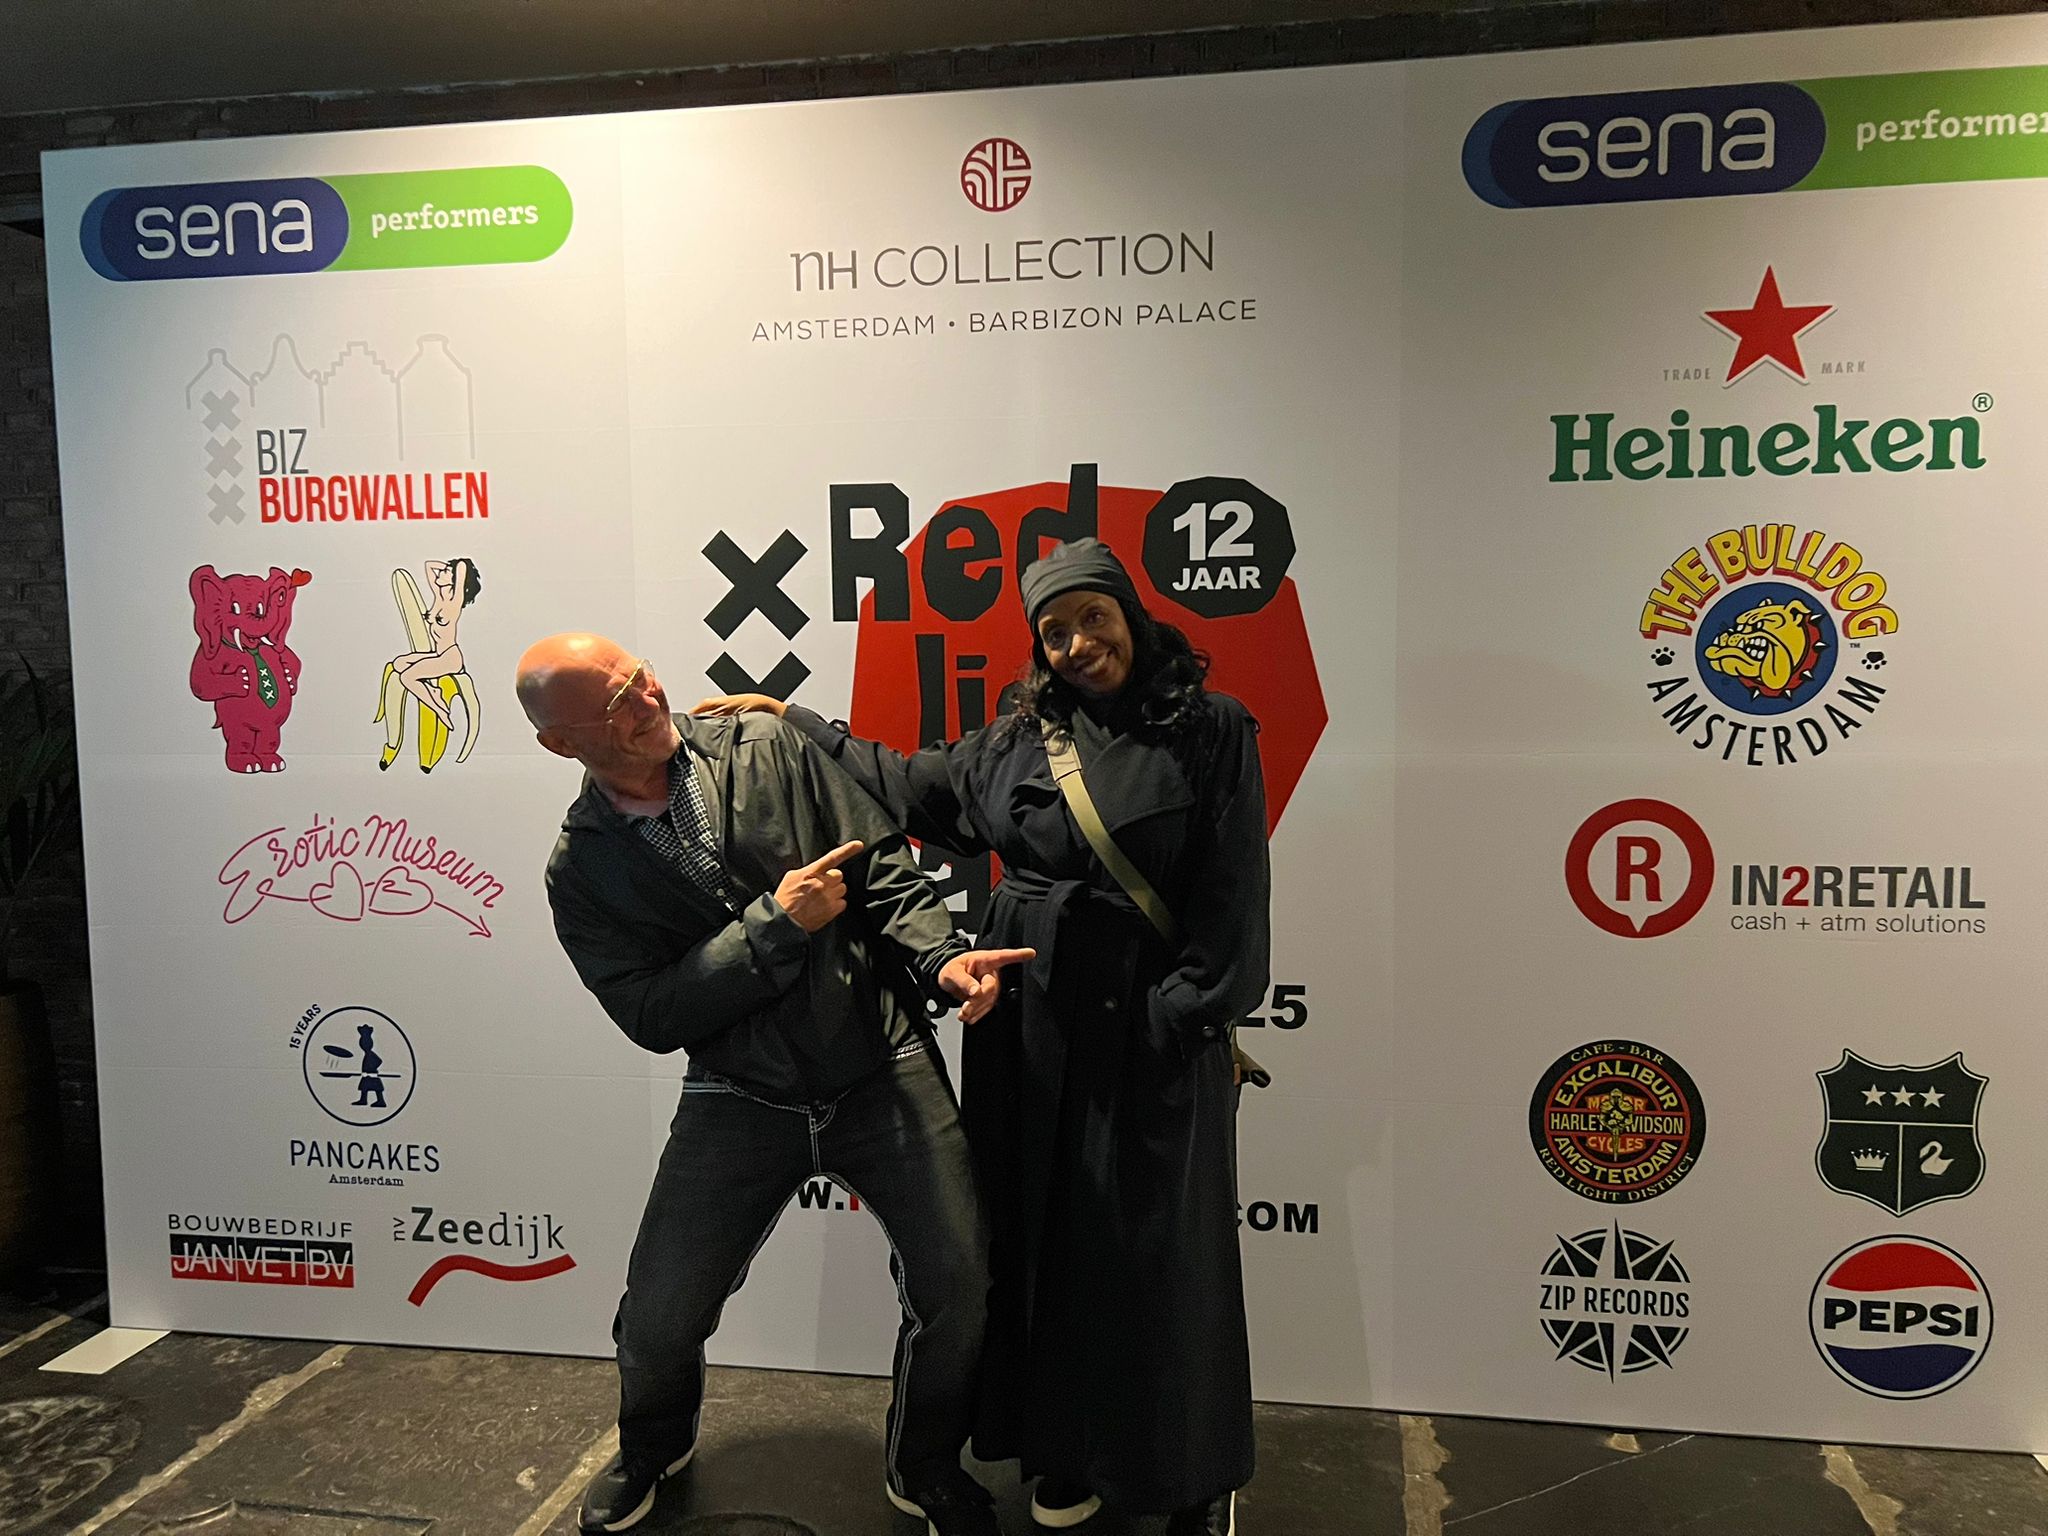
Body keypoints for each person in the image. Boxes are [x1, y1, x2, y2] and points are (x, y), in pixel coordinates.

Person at [699, 538, 1271, 1536]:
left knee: (1152, 1251)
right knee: (1038, 1238)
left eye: (1092, 618)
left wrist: (1181, 1014)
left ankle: (1182, 1471)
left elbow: (1233, 888)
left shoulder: (1210, 727)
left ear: (1130, 615)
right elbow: (907, 783)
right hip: (1030, 1023)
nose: (1077, 644)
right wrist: (793, 720)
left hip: (1148, 1031)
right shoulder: (1016, 741)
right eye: (1054, 632)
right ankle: (1063, 1452)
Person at [515, 633, 1032, 1536]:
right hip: (738, 1092)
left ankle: (925, 1464)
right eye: (617, 703)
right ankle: (651, 1450)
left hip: (880, 1061)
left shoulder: (766, 747)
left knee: (958, 1285)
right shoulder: (581, 867)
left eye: (641, 677)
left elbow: (880, 868)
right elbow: (651, 1012)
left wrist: (941, 958)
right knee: (660, 1317)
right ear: (562, 743)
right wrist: (775, 926)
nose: (649, 700)